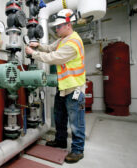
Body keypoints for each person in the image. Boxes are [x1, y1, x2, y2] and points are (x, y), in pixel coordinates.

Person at [25, 9, 86, 163]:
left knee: (76, 121)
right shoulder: (63, 39)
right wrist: (37, 45)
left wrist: (33, 54)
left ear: (68, 25)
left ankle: (78, 150)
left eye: (59, 26)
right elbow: (50, 48)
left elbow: (53, 57)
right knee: (59, 116)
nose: (56, 29)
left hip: (74, 88)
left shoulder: (73, 42)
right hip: (63, 87)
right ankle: (60, 140)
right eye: (56, 26)